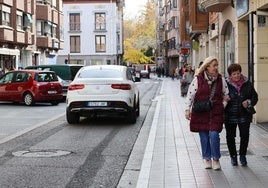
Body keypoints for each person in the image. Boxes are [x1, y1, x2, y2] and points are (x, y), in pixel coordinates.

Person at [185, 56, 229, 170]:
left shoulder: (221, 79)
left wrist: (222, 105)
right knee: (204, 137)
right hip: (201, 112)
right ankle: (207, 158)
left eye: (217, 65)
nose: (216, 67)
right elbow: (190, 95)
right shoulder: (198, 79)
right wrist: (187, 109)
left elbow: (226, 95)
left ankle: (216, 159)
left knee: (214, 135)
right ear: (207, 66)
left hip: (216, 112)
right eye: (214, 65)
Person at [224, 63, 258, 166]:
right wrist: (224, 99)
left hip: (244, 114)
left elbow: (255, 97)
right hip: (230, 115)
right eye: (234, 74)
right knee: (230, 137)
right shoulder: (225, 84)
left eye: (238, 73)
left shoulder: (247, 83)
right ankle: (233, 156)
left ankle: (242, 156)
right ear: (230, 75)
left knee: (244, 136)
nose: (237, 76)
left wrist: (248, 102)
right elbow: (220, 96)